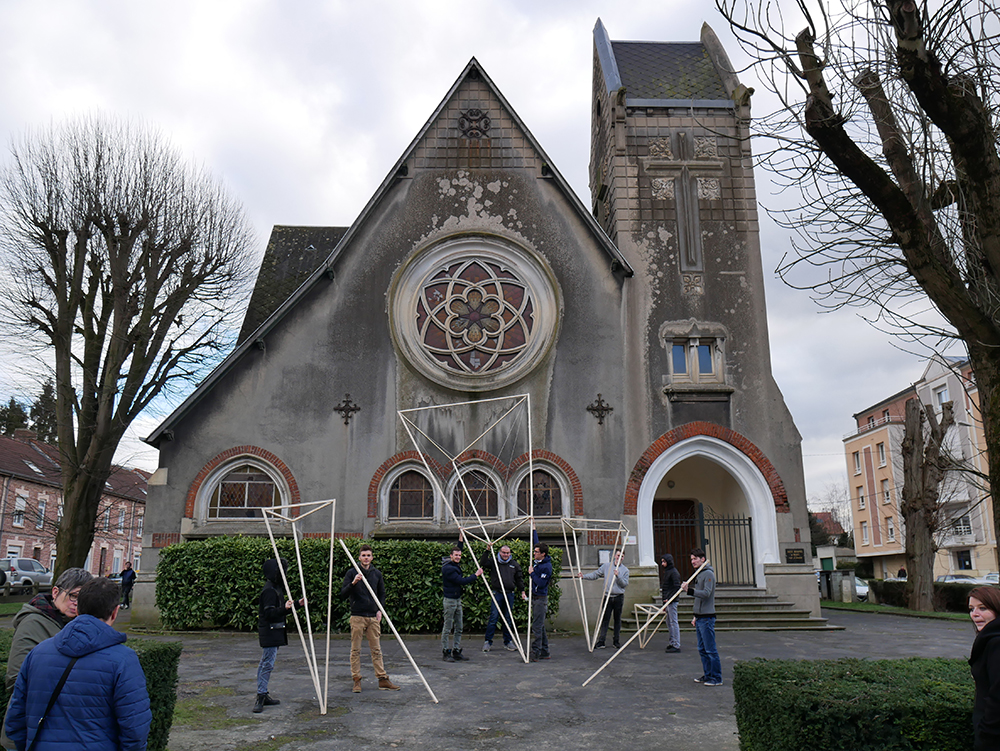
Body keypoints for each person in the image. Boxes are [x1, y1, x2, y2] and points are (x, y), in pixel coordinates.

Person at [4, 577, 151, 751]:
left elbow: (15, 719)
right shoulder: (124, 660)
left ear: (78, 609)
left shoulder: (37, 653)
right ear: (115, 612)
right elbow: (134, 729)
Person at [0, 567, 92, 751]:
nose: (77, 603)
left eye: (83, 599)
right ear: (55, 592)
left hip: (62, 732)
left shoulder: (77, 625)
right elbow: (15, 679)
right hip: (29, 731)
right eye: (73, 596)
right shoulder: (33, 623)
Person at [340, 544, 400, 693]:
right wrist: (353, 583)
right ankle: (356, 680)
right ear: (359, 557)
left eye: (368, 555)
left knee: (376, 650)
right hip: (357, 616)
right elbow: (343, 594)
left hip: (373, 616)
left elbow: (382, 594)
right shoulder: (352, 573)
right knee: (355, 650)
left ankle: (382, 679)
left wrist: (380, 609)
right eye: (363, 555)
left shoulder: (376, 574)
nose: (366, 558)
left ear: (372, 557)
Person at [255, 557, 305, 712]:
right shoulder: (270, 591)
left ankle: (263, 692)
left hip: (274, 631)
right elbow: (270, 613)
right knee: (267, 663)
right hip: (269, 632)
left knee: (265, 662)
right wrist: (285, 608)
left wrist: (296, 605)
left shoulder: (276, 588)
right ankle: (261, 695)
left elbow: (280, 610)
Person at [681, 548, 721, 686]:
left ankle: (716, 678)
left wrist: (689, 590)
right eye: (691, 559)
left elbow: (706, 593)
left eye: (695, 559)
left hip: (707, 618)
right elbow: (699, 599)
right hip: (700, 617)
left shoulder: (708, 574)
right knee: (702, 649)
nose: (693, 561)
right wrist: (695, 615)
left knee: (710, 649)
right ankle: (708, 675)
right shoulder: (699, 574)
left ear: (702, 559)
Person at [441, 533, 483, 662]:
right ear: (451, 556)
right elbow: (461, 581)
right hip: (450, 601)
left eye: (459, 555)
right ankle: (446, 652)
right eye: (456, 555)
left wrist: (461, 538)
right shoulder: (448, 569)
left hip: (457, 600)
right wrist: (476, 575)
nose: (458, 557)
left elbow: (459, 548)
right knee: (448, 627)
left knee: (459, 627)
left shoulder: (454, 564)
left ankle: (456, 650)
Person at [968, 586, 1000, 749]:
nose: (975, 614)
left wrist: (987, 733)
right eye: (971, 609)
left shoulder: (996, 643)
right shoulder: (988, 639)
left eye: (983, 608)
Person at [577, 550, 629, 649]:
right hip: (607, 596)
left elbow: (624, 584)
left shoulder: (625, 570)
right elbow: (596, 574)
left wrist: (618, 576)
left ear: (623, 558)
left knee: (617, 619)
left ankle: (616, 641)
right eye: (618, 555)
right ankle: (601, 641)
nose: (619, 558)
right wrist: (584, 576)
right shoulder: (606, 566)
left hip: (618, 597)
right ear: (615, 555)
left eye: (622, 556)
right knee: (605, 619)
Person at [482, 543, 524, 653]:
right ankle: (488, 641)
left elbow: (519, 578)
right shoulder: (494, 562)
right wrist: (487, 550)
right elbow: (483, 563)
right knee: (493, 617)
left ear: (510, 554)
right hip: (497, 593)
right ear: (500, 553)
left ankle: (508, 641)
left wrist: (522, 591)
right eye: (504, 553)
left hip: (509, 594)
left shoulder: (514, 564)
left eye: (507, 553)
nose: (505, 555)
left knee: (508, 618)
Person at [528, 536, 552, 662]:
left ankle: (536, 651)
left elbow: (541, 583)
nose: (534, 553)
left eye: (536, 552)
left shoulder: (546, 567)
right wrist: (534, 530)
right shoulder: (539, 563)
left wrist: (532, 573)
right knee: (540, 625)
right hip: (535, 597)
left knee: (537, 626)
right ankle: (544, 651)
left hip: (540, 598)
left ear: (543, 554)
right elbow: (536, 542)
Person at [659, 553, 682, 653]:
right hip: (668, 600)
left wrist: (669, 598)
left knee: (673, 622)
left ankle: (676, 644)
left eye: (664, 562)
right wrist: (664, 600)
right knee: (669, 622)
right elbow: (666, 587)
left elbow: (676, 587)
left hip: (672, 601)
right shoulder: (668, 572)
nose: (662, 564)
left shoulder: (673, 572)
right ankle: (672, 642)